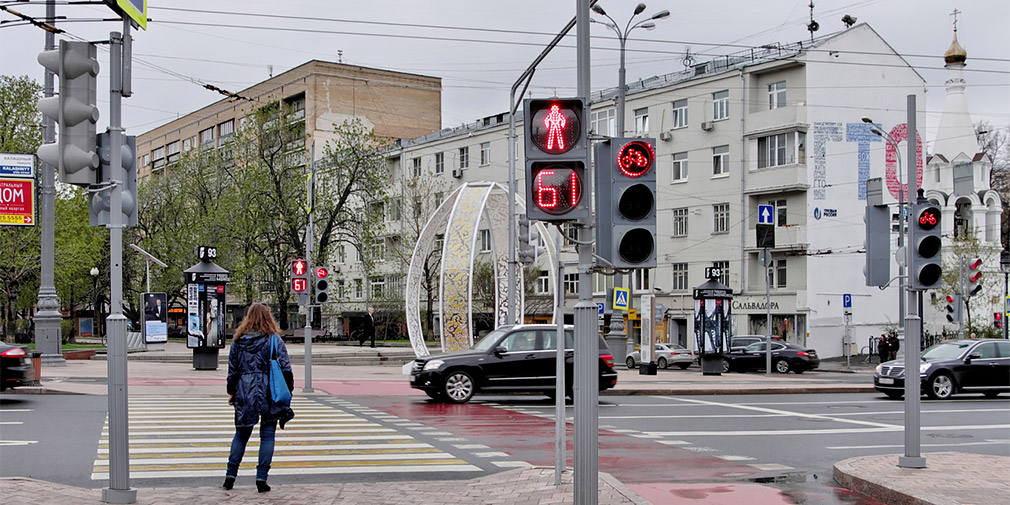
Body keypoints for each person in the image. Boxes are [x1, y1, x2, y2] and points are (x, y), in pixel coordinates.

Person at [224, 303, 294, 493]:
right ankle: (261, 478)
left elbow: (233, 371)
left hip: (244, 390)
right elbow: (286, 368)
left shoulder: (238, 341)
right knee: (268, 435)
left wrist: (232, 391)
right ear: (268, 317)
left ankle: (230, 476)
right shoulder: (274, 340)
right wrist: (288, 391)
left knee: (241, 434)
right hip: (269, 390)